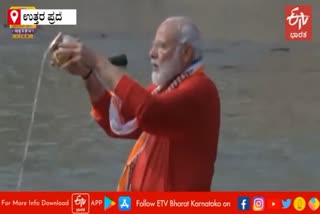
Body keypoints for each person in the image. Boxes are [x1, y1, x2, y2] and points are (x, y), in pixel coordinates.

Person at [52, 16, 220, 191]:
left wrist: (97, 61)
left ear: (187, 53)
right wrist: (88, 74)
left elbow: (148, 111)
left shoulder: (201, 90)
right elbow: (120, 118)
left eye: (161, 46)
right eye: (153, 45)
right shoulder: (164, 89)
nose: (151, 53)